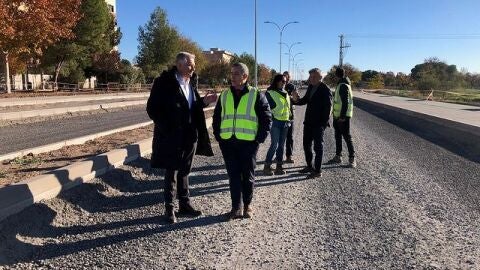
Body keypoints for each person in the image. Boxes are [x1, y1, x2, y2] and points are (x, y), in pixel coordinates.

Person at [146, 52, 218, 224]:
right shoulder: (164, 82)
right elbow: (152, 109)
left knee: (185, 171)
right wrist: (168, 129)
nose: (193, 67)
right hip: (172, 136)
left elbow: (191, 107)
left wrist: (205, 101)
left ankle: (185, 205)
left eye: (193, 64)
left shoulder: (190, 82)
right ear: (179, 65)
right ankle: (169, 209)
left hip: (189, 135)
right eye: (190, 64)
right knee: (172, 172)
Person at [212, 62, 272, 220]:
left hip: (248, 143)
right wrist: (218, 136)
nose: (232, 76)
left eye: (236, 73)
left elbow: (266, 119)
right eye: (231, 73)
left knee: (248, 175)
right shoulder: (224, 95)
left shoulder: (256, 94)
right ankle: (235, 208)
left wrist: (259, 139)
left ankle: (247, 206)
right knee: (233, 176)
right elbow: (217, 117)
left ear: (245, 77)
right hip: (228, 143)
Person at [291, 68, 332, 179]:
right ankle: (310, 166)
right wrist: (295, 100)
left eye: (314, 77)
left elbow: (328, 108)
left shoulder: (325, 89)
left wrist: (323, 124)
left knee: (318, 148)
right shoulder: (310, 87)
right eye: (311, 76)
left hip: (318, 124)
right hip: (308, 122)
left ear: (320, 77)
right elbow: (304, 100)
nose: (311, 78)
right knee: (306, 145)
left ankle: (318, 171)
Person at [326, 67, 356, 168]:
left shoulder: (343, 85)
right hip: (337, 116)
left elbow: (345, 102)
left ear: (336, 75)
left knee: (347, 137)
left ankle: (352, 159)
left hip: (342, 117)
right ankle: (338, 156)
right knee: (338, 136)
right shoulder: (342, 83)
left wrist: (342, 116)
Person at [263, 74, 292, 176]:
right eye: (282, 81)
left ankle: (279, 167)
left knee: (281, 146)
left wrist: (290, 118)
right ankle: (267, 166)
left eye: (285, 82)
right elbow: (266, 109)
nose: (284, 83)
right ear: (277, 81)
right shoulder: (270, 93)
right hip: (275, 122)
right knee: (274, 145)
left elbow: (288, 108)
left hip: (285, 122)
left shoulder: (285, 93)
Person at [283, 71, 297, 164]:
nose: (287, 79)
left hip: (290, 115)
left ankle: (289, 156)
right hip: (278, 116)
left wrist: (292, 97)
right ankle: (278, 156)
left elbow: (296, 99)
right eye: (285, 77)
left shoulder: (292, 87)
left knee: (289, 137)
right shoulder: (278, 86)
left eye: (288, 77)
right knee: (279, 139)